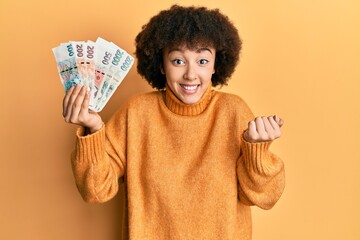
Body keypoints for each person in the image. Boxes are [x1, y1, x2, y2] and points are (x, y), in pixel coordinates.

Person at [62, 5, 285, 240]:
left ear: (215, 65)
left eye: (202, 60)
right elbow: (95, 190)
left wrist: (256, 152)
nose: (190, 74)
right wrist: (93, 130)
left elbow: (266, 196)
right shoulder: (135, 113)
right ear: (161, 64)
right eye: (178, 61)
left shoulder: (233, 111)